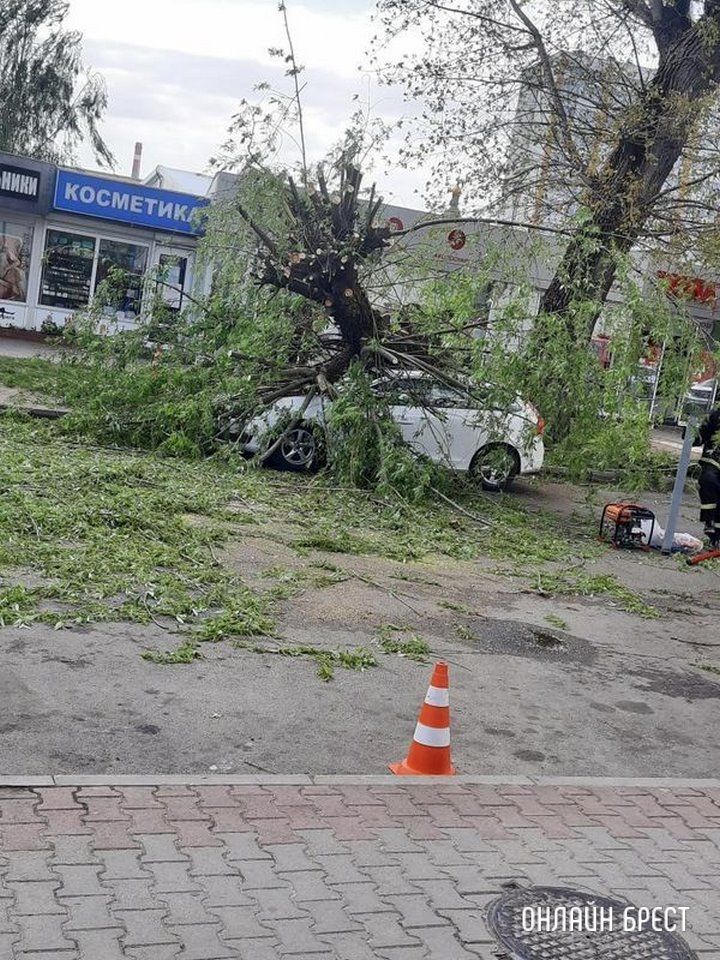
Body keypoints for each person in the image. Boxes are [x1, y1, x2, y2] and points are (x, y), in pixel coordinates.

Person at [694, 404, 720, 547]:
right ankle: (709, 522)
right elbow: (701, 436)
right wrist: (692, 435)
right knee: (708, 481)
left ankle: (717, 536)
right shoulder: (716, 415)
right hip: (713, 462)